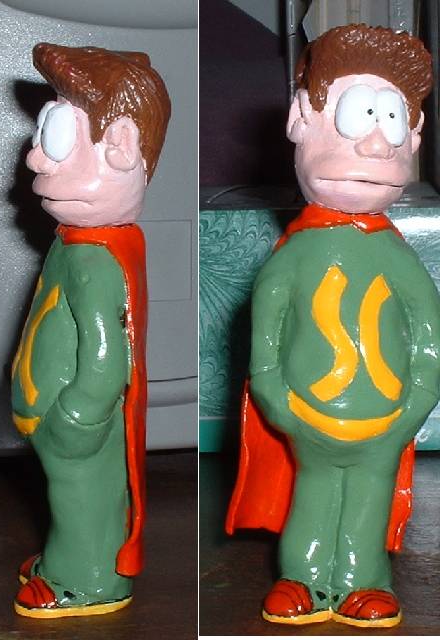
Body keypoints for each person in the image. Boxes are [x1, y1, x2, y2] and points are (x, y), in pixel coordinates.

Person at [226, 24, 440, 628]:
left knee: (369, 498)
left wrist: (418, 397)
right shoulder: (294, 254)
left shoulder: (396, 254)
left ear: (414, 135)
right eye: (357, 116)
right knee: (313, 494)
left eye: (391, 122)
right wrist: (275, 397)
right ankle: (302, 575)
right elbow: (265, 334)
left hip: (384, 417)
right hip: (309, 414)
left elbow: (429, 331)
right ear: (301, 120)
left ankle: (362, 581)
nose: (374, 145)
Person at [11, 43, 170, 618]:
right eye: (44, 134)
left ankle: (82, 579)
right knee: (79, 496)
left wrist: (77, 415)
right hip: (57, 414)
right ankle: (75, 561)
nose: (35, 160)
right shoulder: (76, 244)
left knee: (79, 495)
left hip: (75, 419)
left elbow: (106, 357)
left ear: (121, 146)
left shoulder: (95, 260)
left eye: (57, 138)